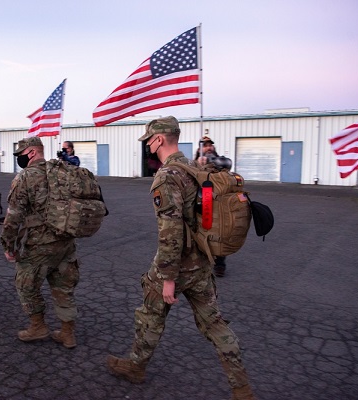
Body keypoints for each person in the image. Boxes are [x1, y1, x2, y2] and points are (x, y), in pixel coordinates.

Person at [106, 117, 255, 400]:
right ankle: (242, 390)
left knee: (150, 318)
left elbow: (170, 232)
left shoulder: (167, 176)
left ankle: (135, 367)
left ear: (159, 139)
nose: (148, 145)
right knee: (215, 324)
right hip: (202, 263)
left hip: (178, 266)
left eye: (149, 140)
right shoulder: (194, 168)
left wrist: (168, 278)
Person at [0, 136, 80, 349]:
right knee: (63, 287)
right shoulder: (64, 171)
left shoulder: (26, 177)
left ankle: (38, 326)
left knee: (26, 284)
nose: (20, 159)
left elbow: (14, 216)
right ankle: (67, 333)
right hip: (66, 241)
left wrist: (9, 246)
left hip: (40, 245)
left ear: (32, 153)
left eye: (21, 155)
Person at [195, 135, 228, 277]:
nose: (208, 147)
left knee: (218, 234)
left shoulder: (221, 160)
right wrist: (198, 164)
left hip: (217, 202)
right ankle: (200, 263)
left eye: (210, 145)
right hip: (200, 202)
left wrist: (212, 164)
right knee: (198, 233)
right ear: (200, 148)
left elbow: (227, 170)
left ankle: (220, 264)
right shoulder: (194, 162)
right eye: (205, 145)